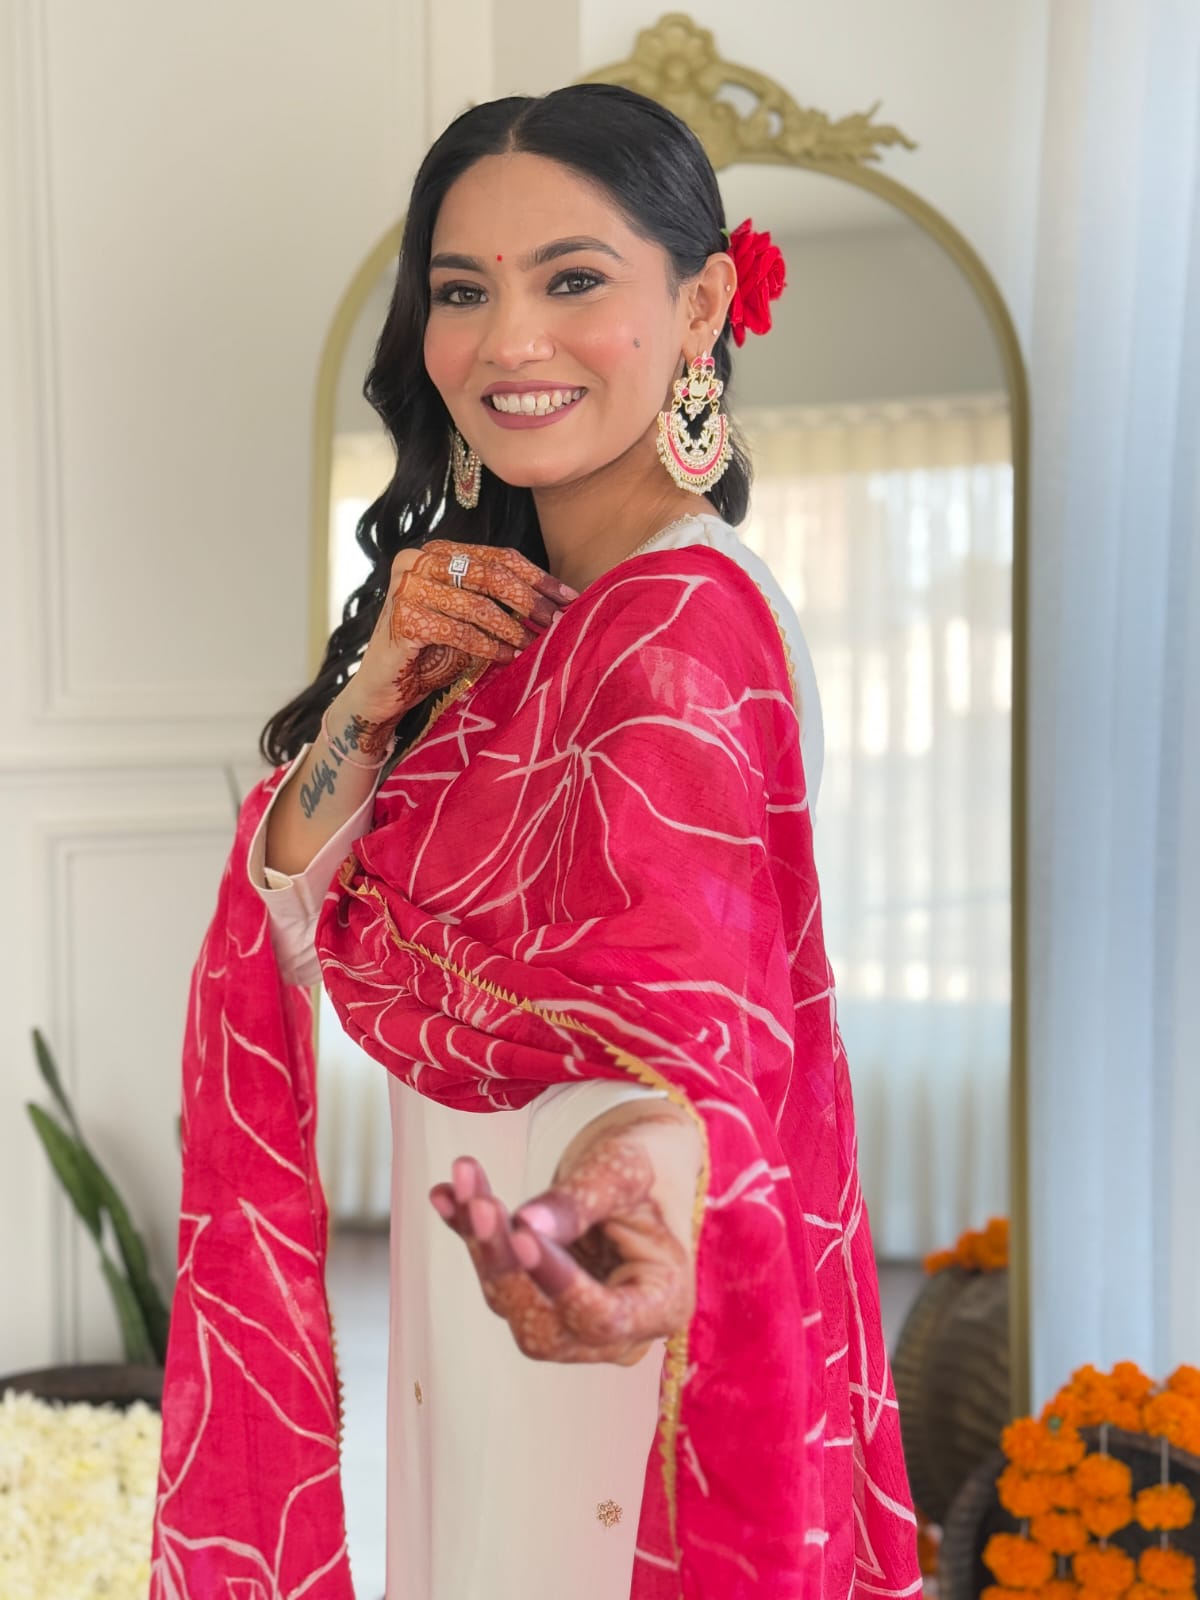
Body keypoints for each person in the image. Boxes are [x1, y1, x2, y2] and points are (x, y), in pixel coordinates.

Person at [150, 84, 919, 1600]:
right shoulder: (494, 625)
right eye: (462, 291)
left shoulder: (686, 628)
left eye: (573, 280)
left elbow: (690, 1025)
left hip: (601, 1318)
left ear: (699, 306)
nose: (509, 342)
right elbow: (300, 906)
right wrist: (376, 692)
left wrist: (618, 1185)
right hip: (485, 1289)